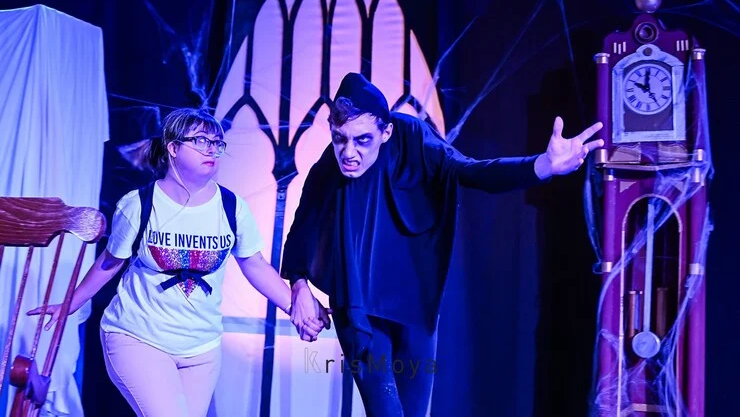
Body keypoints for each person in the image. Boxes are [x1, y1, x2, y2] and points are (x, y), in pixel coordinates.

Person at [281, 72, 604, 416]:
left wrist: (542, 166)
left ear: (386, 132)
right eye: (339, 138)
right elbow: (301, 229)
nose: (349, 153)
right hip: (359, 307)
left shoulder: (412, 138)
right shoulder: (328, 167)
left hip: (413, 305)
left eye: (363, 140)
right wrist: (299, 286)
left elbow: (470, 171)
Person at [28, 108, 330, 417]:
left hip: (201, 350)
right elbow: (109, 262)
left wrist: (298, 310)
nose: (211, 150)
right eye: (201, 141)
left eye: (217, 143)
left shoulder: (231, 207)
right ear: (173, 147)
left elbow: (254, 265)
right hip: (138, 338)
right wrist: (69, 305)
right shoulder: (139, 204)